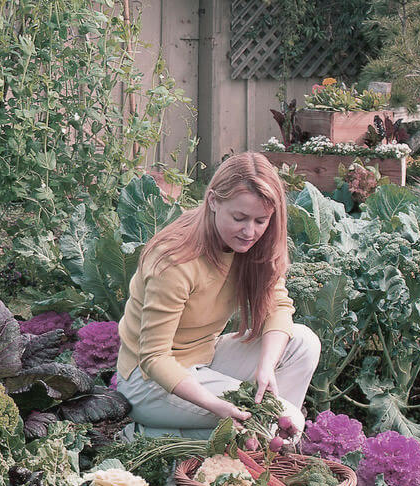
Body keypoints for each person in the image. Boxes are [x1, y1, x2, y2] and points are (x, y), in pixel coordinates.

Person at [114, 152, 320, 438]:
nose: (250, 231)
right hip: (149, 382)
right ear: (213, 201)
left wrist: (266, 367)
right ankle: (148, 437)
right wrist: (219, 406)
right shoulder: (175, 260)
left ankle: (254, 440)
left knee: (303, 343)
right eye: (239, 217)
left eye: (261, 220)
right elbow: (154, 358)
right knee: (276, 417)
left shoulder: (254, 245)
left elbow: (278, 306)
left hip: (206, 358)